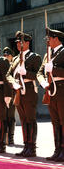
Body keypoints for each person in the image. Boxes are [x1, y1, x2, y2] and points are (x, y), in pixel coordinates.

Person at [6, 32, 41, 157]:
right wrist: (13, 83)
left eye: (20, 42)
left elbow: (38, 75)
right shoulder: (15, 58)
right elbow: (8, 75)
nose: (18, 44)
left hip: (29, 90)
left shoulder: (34, 57)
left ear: (27, 43)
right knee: (23, 119)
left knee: (30, 119)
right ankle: (26, 145)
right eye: (17, 43)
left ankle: (32, 147)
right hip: (18, 90)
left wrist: (26, 72)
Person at [37, 28, 64, 161]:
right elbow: (39, 73)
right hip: (50, 90)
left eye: (49, 39)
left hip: (62, 90)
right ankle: (57, 149)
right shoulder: (47, 55)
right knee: (55, 122)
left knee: (63, 121)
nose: (47, 41)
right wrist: (43, 83)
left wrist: (55, 70)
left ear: (56, 38)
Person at [2, 47, 16, 145]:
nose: (6, 57)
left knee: (10, 116)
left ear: (12, 57)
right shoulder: (2, 66)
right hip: (2, 93)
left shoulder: (13, 66)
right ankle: (4, 137)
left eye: (8, 55)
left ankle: (10, 137)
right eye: (5, 55)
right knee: (3, 116)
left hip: (12, 93)